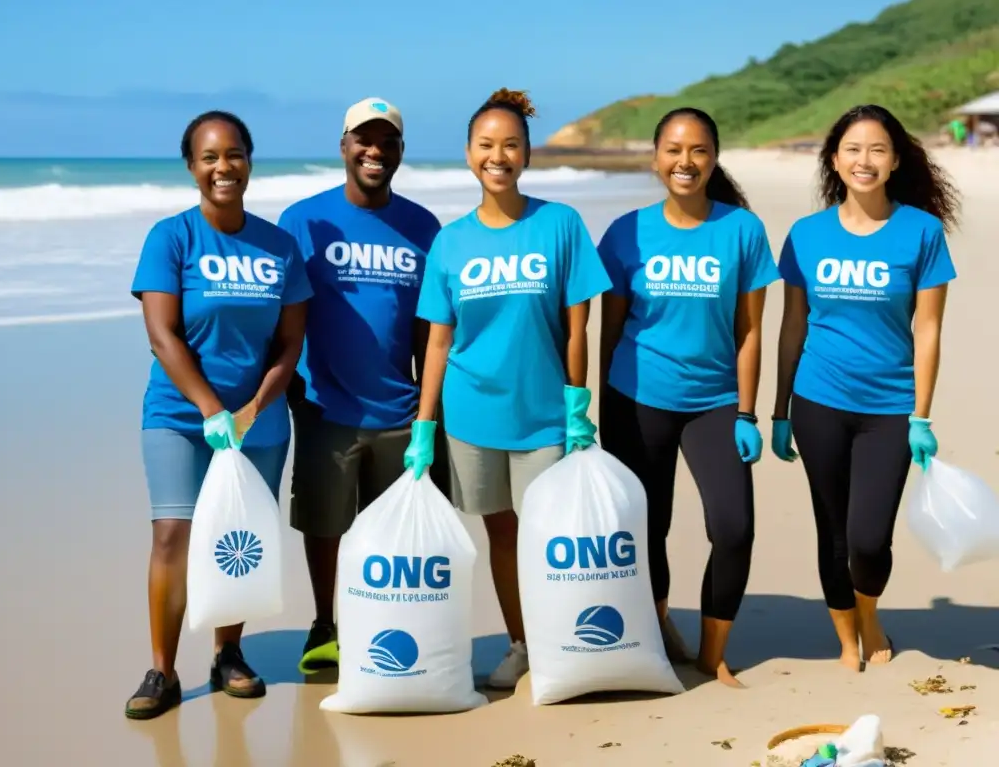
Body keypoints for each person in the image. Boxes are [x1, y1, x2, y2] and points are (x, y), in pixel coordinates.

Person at [403, 88, 613, 689]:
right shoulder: (451, 242)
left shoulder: (560, 225)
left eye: (511, 145)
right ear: (469, 154)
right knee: (502, 534)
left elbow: (580, 326)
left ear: (527, 154)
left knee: (551, 537)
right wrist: (425, 426)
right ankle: (523, 644)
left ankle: (563, 642)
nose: (499, 155)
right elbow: (439, 341)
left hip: (545, 414)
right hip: (470, 416)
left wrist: (579, 404)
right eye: (486, 145)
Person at [125, 111, 312, 719]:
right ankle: (162, 670)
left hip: (259, 421)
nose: (222, 167)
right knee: (173, 537)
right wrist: (212, 410)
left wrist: (255, 407)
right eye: (209, 157)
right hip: (180, 416)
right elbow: (163, 335)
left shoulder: (278, 245)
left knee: (239, 536)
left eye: (233, 154)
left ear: (249, 161)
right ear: (191, 167)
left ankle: (229, 655)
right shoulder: (171, 237)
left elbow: (290, 344)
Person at [771, 104, 959, 672]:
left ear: (896, 159)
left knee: (869, 538)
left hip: (890, 410)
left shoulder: (921, 232)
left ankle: (869, 612)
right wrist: (779, 411)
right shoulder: (806, 235)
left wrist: (921, 416)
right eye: (853, 149)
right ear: (834, 159)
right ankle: (846, 637)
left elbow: (927, 329)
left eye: (878, 149)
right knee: (832, 531)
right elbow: (792, 326)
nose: (865, 160)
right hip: (818, 401)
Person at [597, 107, 780, 688]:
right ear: (655, 159)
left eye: (698, 150)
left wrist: (748, 411)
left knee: (733, 528)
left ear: (714, 158)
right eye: (673, 150)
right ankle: (655, 627)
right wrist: (598, 408)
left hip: (716, 401)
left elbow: (751, 331)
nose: (686, 162)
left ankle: (712, 652)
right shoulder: (625, 232)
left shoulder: (742, 230)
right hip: (637, 396)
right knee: (647, 527)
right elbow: (610, 328)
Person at [277, 97, 449, 675]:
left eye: (388, 142)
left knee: (394, 536)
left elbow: (433, 330)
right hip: (325, 405)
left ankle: (385, 626)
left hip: (402, 410)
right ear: (344, 146)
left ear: (400, 151)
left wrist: (432, 409)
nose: (375, 151)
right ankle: (325, 624)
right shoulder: (303, 220)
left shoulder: (424, 226)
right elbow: (279, 312)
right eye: (364, 140)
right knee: (325, 527)